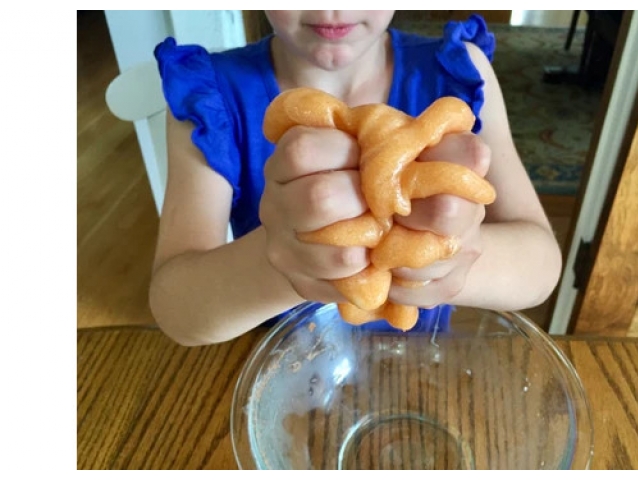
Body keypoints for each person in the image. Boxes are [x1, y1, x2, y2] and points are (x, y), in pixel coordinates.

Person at [150, 11, 562, 346]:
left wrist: (445, 254)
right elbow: (176, 309)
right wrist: (288, 259)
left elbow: (541, 267)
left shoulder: (460, 72)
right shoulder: (211, 96)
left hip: (424, 354)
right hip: (290, 358)